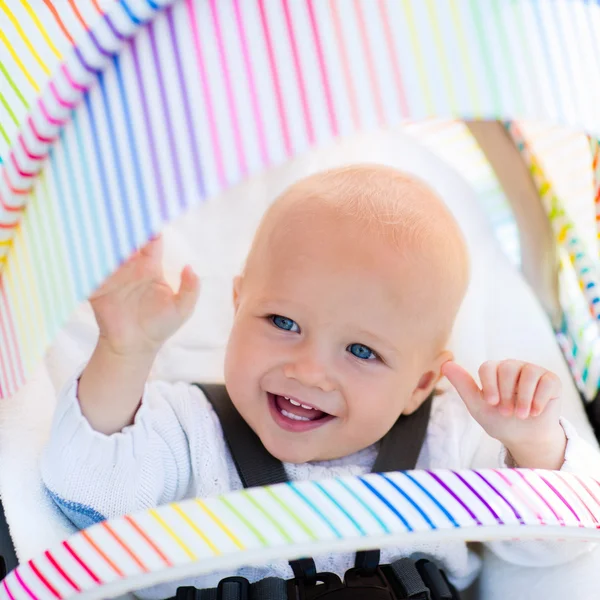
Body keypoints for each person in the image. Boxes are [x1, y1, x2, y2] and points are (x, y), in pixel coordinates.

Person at [42, 165, 600, 598]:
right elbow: (89, 495)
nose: (307, 371)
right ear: (238, 306)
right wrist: (125, 350)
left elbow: (550, 543)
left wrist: (531, 445)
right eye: (282, 322)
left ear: (418, 384)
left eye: (362, 351)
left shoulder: (451, 438)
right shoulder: (188, 428)